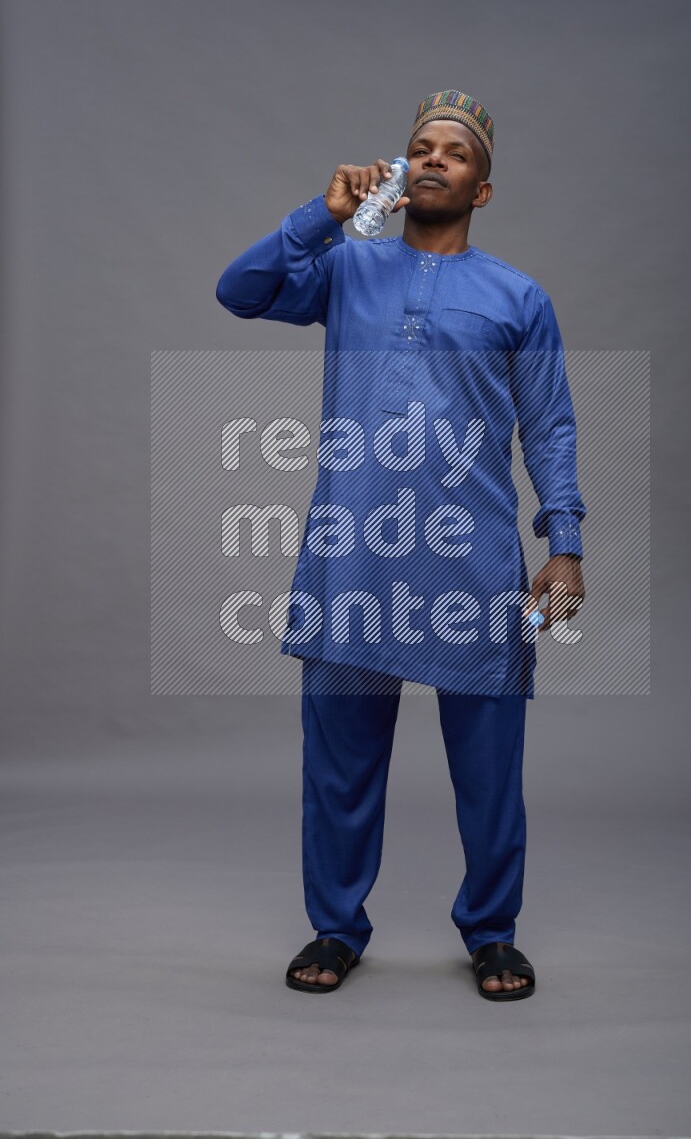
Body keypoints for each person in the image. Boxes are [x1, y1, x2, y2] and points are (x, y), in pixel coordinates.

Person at [216, 90, 587, 1000]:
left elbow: (550, 428)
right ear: (399, 166)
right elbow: (241, 290)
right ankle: (336, 927)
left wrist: (566, 543)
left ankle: (493, 932)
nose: (431, 159)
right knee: (339, 765)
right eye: (419, 145)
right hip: (354, 554)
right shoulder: (347, 268)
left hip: (474, 562)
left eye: (453, 153)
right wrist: (322, 216)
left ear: (481, 189)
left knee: (491, 767)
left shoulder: (517, 296)